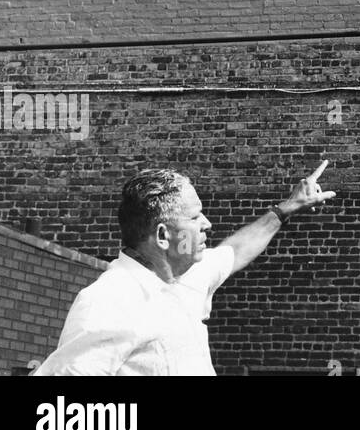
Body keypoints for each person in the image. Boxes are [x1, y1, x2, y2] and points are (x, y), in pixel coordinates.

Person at [33, 161, 336, 376]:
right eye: (194, 218)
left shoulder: (185, 276)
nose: (207, 223)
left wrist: (285, 210)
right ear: (163, 236)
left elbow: (236, 251)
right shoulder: (109, 300)